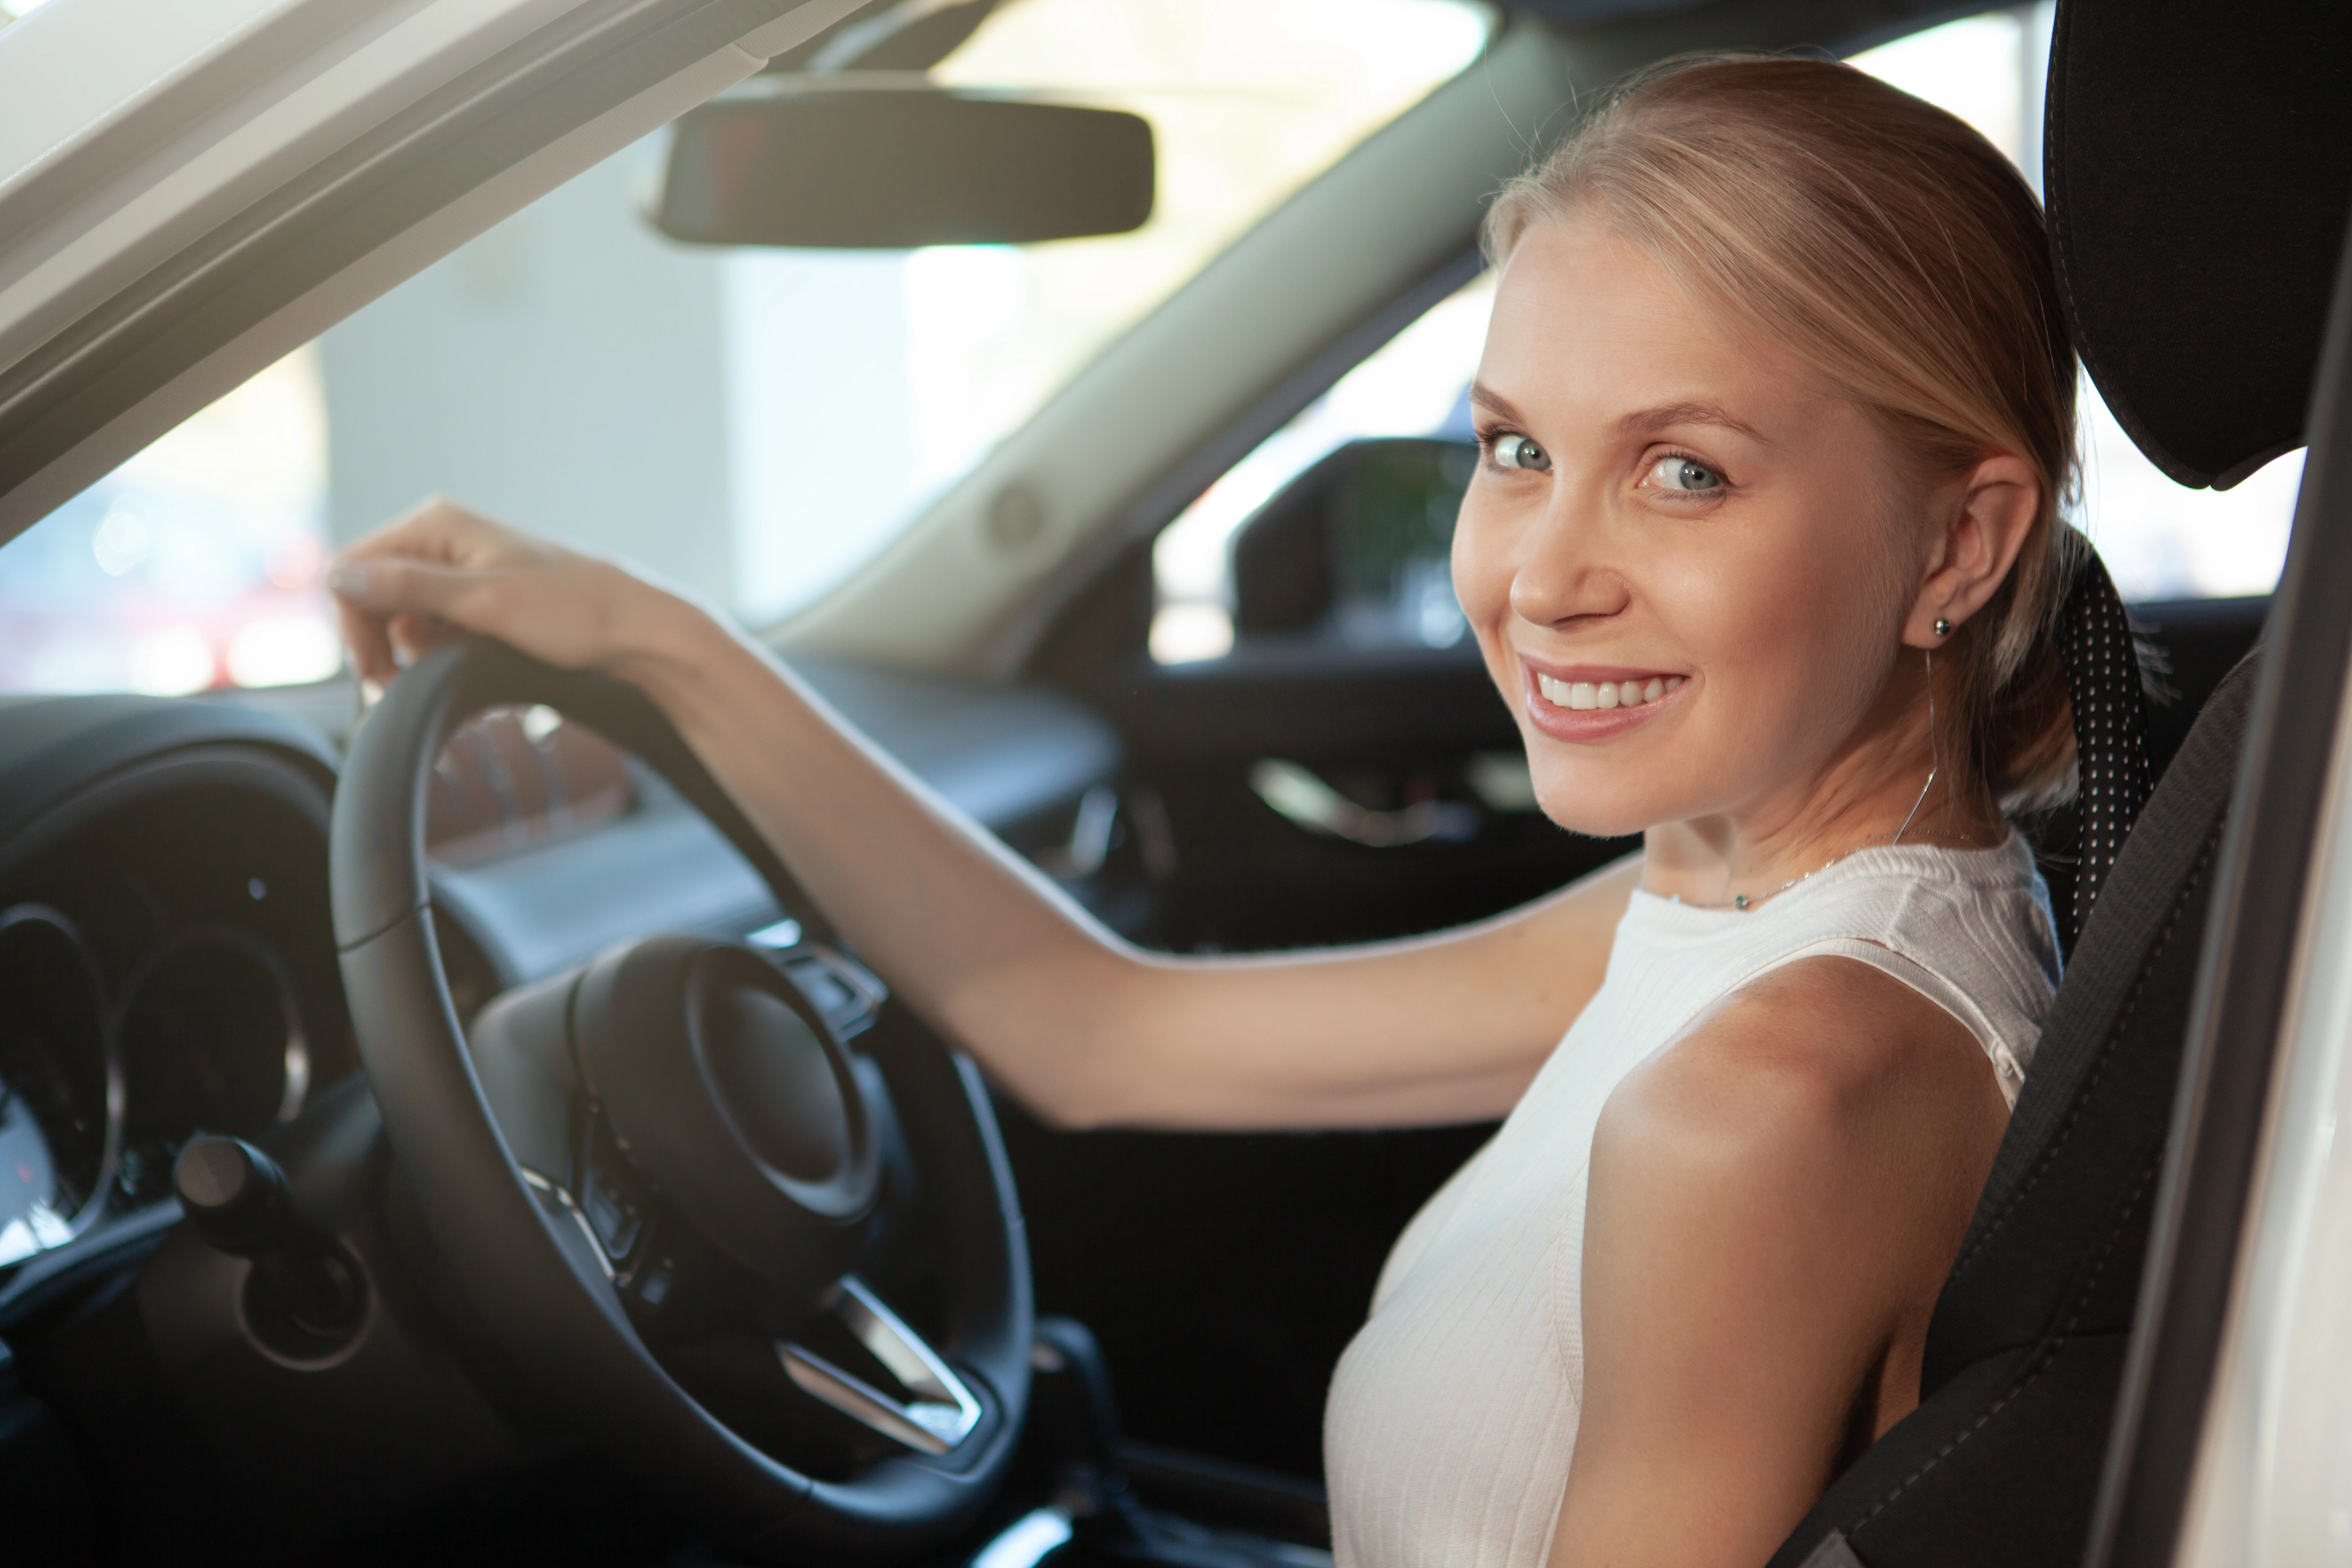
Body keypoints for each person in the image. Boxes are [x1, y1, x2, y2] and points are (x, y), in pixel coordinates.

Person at [328, 54, 2078, 1568]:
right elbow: (1105, 1035)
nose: (1542, 578)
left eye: (1683, 472)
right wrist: (655, 639)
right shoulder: (1765, 916)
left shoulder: (1767, 1103)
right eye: (1515, 450)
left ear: (1958, 543)